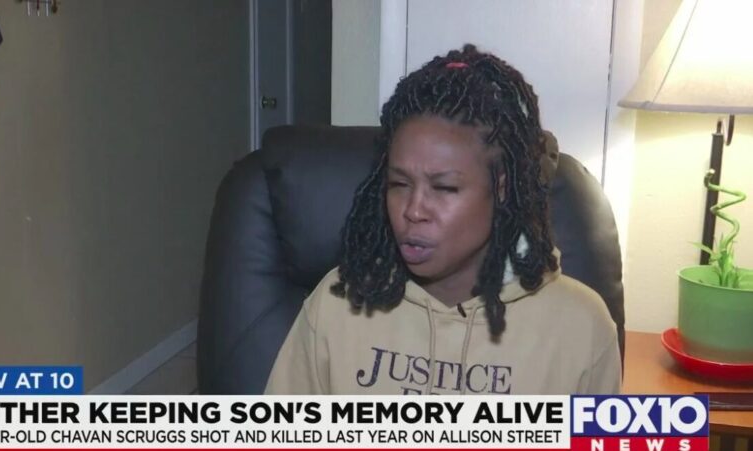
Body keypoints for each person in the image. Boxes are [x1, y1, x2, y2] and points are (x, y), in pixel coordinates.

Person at [265, 44, 620, 395]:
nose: (413, 210)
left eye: (444, 188)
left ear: (501, 189)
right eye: (399, 184)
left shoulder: (582, 328)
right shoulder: (336, 304)